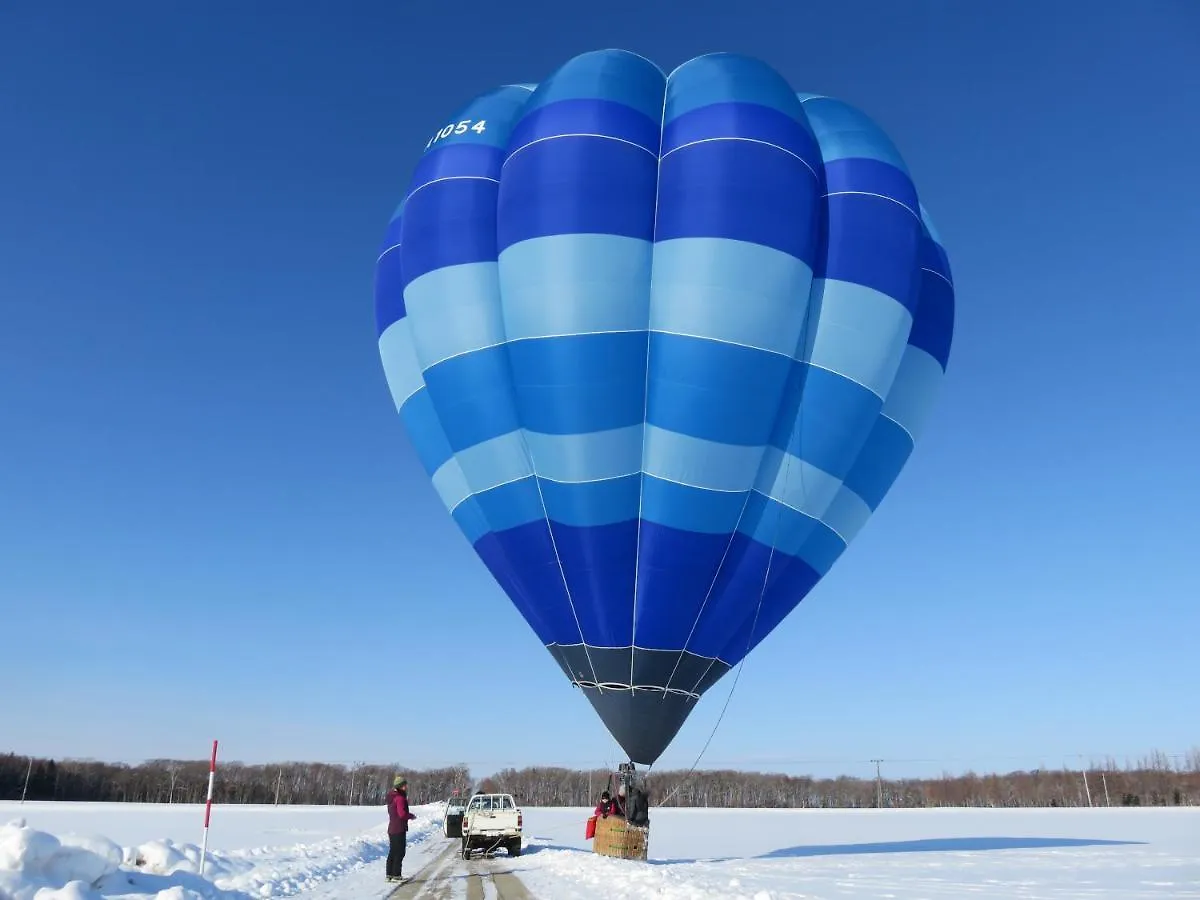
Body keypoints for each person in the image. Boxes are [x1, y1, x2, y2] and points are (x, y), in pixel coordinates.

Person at [385, 776, 417, 882]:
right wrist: (411, 816)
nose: (406, 787)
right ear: (400, 786)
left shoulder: (392, 797)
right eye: (404, 785)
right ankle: (396, 875)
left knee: (393, 851)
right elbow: (402, 814)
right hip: (399, 828)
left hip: (392, 828)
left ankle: (389, 875)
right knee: (400, 852)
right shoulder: (400, 798)